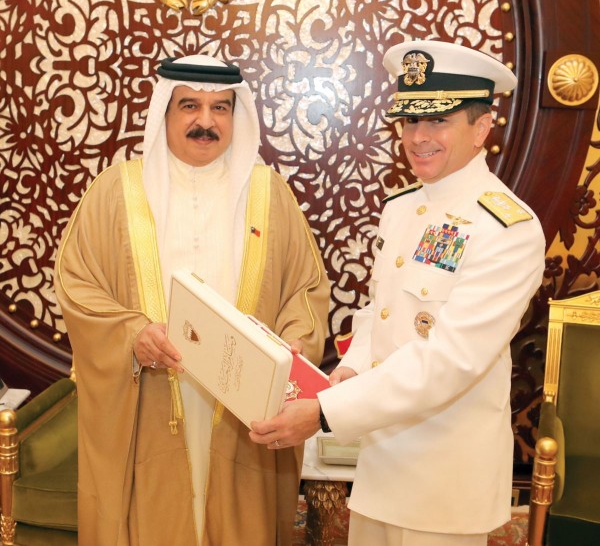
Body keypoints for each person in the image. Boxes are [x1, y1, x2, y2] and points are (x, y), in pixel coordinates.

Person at [249, 39, 546, 545]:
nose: (418, 137)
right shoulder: (402, 207)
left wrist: (326, 412)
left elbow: (450, 360)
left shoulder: (506, 228)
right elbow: (381, 311)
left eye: (438, 121)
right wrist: (348, 369)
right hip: (380, 467)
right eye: (410, 120)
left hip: (443, 485)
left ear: (481, 128)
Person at [55, 54, 330, 546]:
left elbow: (305, 290)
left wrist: (289, 354)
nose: (206, 121)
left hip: (244, 410)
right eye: (190, 106)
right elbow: (78, 284)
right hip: (151, 400)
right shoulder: (116, 191)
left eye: (220, 108)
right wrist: (133, 335)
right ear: (165, 112)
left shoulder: (268, 193)